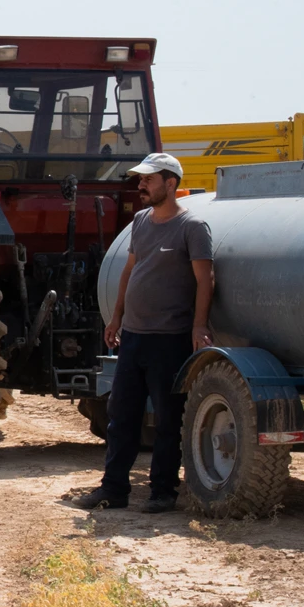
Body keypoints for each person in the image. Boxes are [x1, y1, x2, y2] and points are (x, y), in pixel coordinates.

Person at [73, 153, 213, 514]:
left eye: (148, 180)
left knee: (167, 419)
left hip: (170, 339)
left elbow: (204, 279)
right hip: (133, 337)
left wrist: (199, 325)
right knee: (122, 417)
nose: (140, 186)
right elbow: (129, 272)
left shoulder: (192, 227)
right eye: (140, 179)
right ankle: (113, 489)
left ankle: (163, 492)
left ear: (171, 184)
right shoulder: (139, 222)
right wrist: (115, 318)